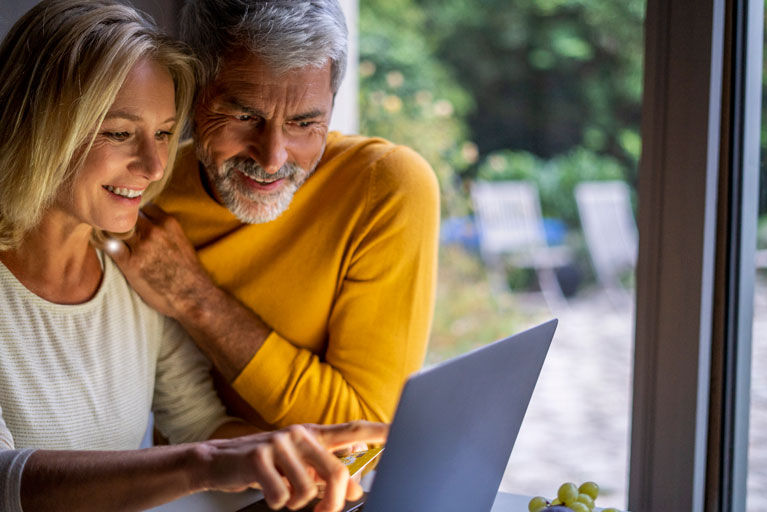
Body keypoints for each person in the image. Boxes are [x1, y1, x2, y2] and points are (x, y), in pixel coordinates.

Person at [0, 2, 386, 511]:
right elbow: (5, 480)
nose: (156, 164)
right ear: (37, 125)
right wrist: (202, 462)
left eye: (163, 133)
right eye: (119, 132)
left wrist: (303, 464)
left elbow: (197, 420)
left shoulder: (133, 264)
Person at [112, 0, 441, 429]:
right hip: (198, 486)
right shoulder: (139, 188)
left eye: (304, 123)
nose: (271, 158)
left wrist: (195, 298)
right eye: (245, 116)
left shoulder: (384, 187)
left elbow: (365, 432)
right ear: (193, 93)